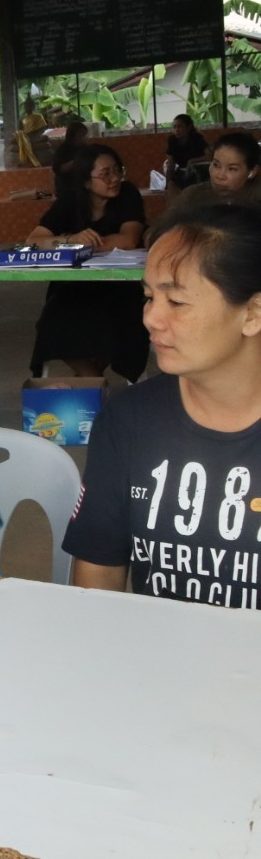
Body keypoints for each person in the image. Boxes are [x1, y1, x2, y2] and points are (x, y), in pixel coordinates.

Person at [64, 205, 261, 608]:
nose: (152, 318)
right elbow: (97, 577)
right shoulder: (128, 420)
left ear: (253, 313)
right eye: (149, 297)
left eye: (177, 302)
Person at [25, 143, 148, 380]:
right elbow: (34, 239)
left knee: (121, 326)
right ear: (86, 181)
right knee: (51, 324)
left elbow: (130, 239)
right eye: (105, 174)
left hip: (119, 286)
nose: (114, 179)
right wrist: (70, 239)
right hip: (74, 286)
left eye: (117, 170)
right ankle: (93, 380)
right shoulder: (70, 200)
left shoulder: (128, 193)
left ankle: (89, 385)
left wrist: (86, 245)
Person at [163, 131, 261, 217]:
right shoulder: (192, 196)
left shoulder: (256, 197)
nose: (220, 175)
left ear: (251, 172)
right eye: (216, 165)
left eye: (232, 169)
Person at [163, 113, 211, 190]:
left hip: (200, 172)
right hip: (183, 172)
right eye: (174, 127)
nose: (176, 130)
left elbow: (210, 156)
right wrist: (167, 184)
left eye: (179, 127)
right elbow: (170, 164)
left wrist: (193, 161)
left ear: (188, 128)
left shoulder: (197, 138)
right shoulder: (172, 140)